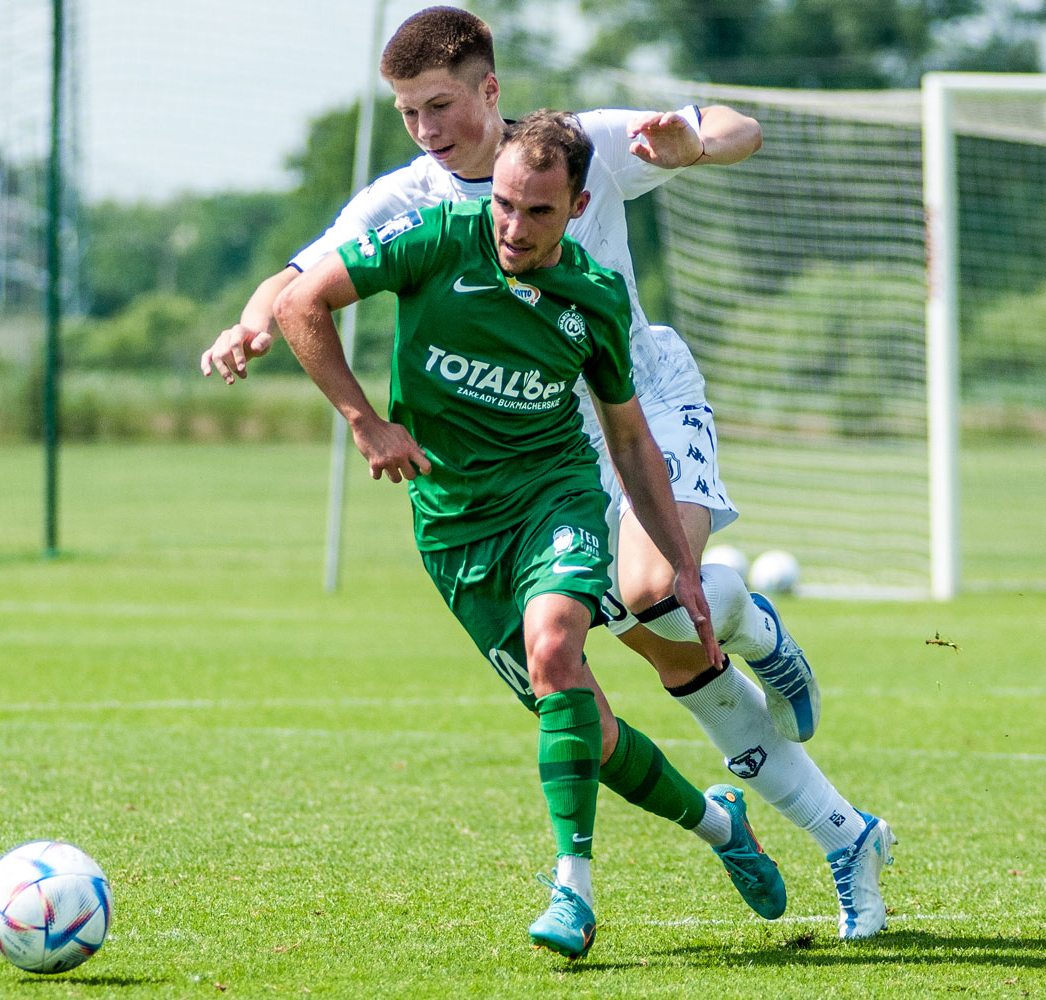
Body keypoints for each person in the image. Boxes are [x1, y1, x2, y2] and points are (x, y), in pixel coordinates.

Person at [205, 7, 895, 942]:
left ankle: (748, 624)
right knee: (668, 654)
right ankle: (842, 832)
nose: (426, 129)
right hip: (542, 459)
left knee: (653, 592)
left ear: (489, 90)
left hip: (638, 402)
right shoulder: (410, 202)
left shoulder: (582, 147)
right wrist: (247, 325)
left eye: (439, 104)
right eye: (407, 112)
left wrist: (691, 146)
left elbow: (739, 126)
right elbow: (297, 278)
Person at [274, 111, 749, 958]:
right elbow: (298, 300)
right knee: (589, 730)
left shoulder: (595, 300)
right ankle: (719, 824)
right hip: (453, 527)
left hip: (553, 494)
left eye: (536, 212)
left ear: (576, 207)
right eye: (502, 204)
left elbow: (631, 441)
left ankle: (573, 888)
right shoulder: (431, 238)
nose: (511, 227)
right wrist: (363, 420)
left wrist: (680, 563)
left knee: (555, 648)